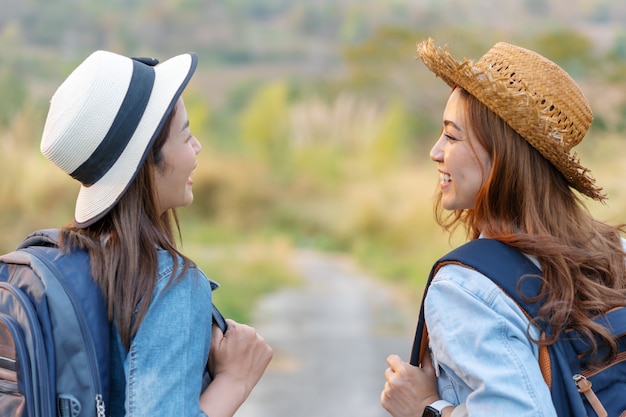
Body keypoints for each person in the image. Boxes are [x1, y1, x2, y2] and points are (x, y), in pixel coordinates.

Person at [380, 39, 626, 416]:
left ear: (501, 155)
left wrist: (426, 408)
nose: (435, 151)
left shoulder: (468, 289)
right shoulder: (616, 249)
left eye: (452, 135)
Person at [40, 50, 272, 417]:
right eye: (185, 135)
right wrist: (235, 380)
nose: (197, 147)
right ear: (148, 160)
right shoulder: (169, 284)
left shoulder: (57, 263)